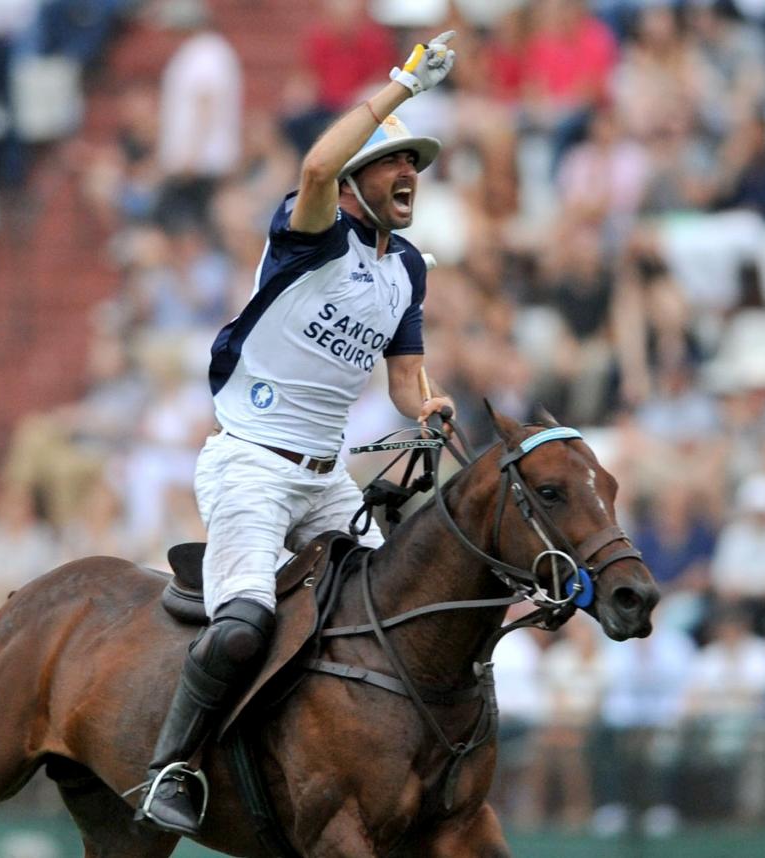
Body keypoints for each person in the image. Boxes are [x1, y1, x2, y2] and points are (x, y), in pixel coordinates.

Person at [134, 31, 459, 836]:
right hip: (249, 460)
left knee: (389, 617)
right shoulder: (312, 229)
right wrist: (401, 87)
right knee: (242, 625)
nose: (408, 173)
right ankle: (170, 766)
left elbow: (406, 380)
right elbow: (315, 165)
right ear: (356, 182)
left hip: (325, 481)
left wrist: (431, 408)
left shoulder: (406, 269)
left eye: (415, 163)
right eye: (392, 162)